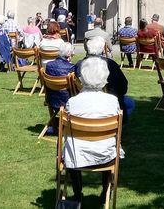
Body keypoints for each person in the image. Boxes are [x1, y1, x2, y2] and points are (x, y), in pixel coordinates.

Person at [62, 57, 124, 206]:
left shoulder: (73, 102)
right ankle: (105, 192)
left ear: (82, 76)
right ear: (104, 77)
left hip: (76, 158)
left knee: (71, 145)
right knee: (107, 144)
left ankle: (77, 194)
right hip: (106, 156)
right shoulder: (112, 101)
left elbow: (65, 131)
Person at [75, 36, 134, 118]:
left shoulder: (79, 64)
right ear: (103, 49)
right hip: (107, 103)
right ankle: (120, 126)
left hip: (82, 102)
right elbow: (123, 86)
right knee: (129, 103)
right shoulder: (111, 64)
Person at [44, 43, 76, 124]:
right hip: (68, 100)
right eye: (72, 54)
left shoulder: (49, 65)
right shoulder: (71, 67)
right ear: (69, 54)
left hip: (51, 99)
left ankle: (54, 125)